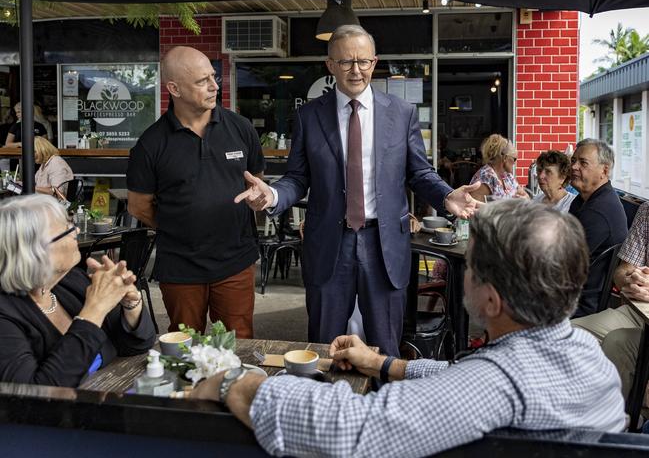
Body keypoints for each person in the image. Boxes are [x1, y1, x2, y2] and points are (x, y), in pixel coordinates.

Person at [191, 200, 626, 457]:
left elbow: (347, 430)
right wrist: (384, 364)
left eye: (471, 265)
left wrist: (236, 382)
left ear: (492, 301)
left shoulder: (495, 385)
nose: (465, 272)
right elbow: (466, 378)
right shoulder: (591, 357)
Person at [234, 25, 480, 356]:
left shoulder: (401, 113)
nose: (356, 70)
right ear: (330, 65)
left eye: (363, 61)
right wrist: (273, 196)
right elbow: (297, 178)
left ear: (374, 62)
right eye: (346, 61)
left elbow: (419, 171)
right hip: (328, 246)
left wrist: (446, 196)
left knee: (385, 347)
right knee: (322, 346)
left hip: (384, 245)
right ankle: (325, 405)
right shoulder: (308, 116)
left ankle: (381, 403)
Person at [127, 46, 264, 338]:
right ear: (173, 88)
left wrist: (258, 200)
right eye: (203, 81)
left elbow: (256, 183)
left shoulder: (240, 128)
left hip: (235, 260)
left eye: (213, 77)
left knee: (238, 342)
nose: (215, 85)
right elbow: (138, 206)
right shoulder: (151, 143)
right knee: (184, 346)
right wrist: (181, 227)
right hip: (180, 266)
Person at [0, 195, 155, 386]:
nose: (77, 231)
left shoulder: (71, 281)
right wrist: (94, 310)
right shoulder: (5, 314)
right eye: (68, 229)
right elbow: (35, 394)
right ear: (36, 251)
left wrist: (130, 305)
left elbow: (137, 345)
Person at [573, 201, 649, 401]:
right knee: (569, 333)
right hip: (636, 312)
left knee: (618, 343)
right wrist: (632, 279)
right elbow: (622, 271)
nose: (574, 167)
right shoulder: (647, 210)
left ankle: (618, 420)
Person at [569, 138, 627, 317]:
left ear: (605, 170)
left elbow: (562, 263)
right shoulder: (583, 200)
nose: (574, 167)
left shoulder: (599, 210)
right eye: (573, 161)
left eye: (583, 163)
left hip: (577, 305)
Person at [470, 133, 528, 201]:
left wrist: (524, 199)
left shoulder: (508, 176)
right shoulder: (485, 178)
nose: (515, 163)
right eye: (514, 159)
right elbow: (475, 208)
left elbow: (525, 195)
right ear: (505, 158)